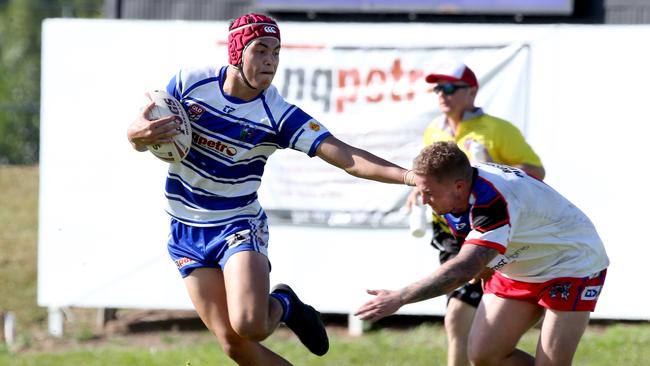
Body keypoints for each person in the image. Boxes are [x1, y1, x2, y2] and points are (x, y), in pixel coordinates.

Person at [126, 13, 415, 366]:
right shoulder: (189, 84)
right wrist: (136, 136)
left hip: (237, 225)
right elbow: (145, 128)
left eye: (276, 52)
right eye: (260, 50)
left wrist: (408, 177)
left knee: (251, 324)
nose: (270, 61)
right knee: (234, 346)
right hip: (184, 229)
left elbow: (346, 156)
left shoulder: (276, 114)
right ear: (236, 53)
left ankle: (285, 305)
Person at [357, 141, 609, 366]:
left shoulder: (491, 202)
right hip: (520, 264)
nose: (422, 200)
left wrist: (400, 298)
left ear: (458, 186)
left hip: (571, 263)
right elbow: (356, 163)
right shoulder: (450, 185)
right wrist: (318, 140)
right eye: (419, 190)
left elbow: (462, 270)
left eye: (428, 193)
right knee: (484, 355)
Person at [407, 61, 545, 366]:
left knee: (461, 317)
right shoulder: (435, 129)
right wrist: (419, 189)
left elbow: (536, 172)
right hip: (449, 234)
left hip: (489, 229)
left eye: (450, 88)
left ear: (471, 91)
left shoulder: (497, 129)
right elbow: (433, 176)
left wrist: (489, 167)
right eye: (437, 88)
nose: (442, 94)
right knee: (458, 319)